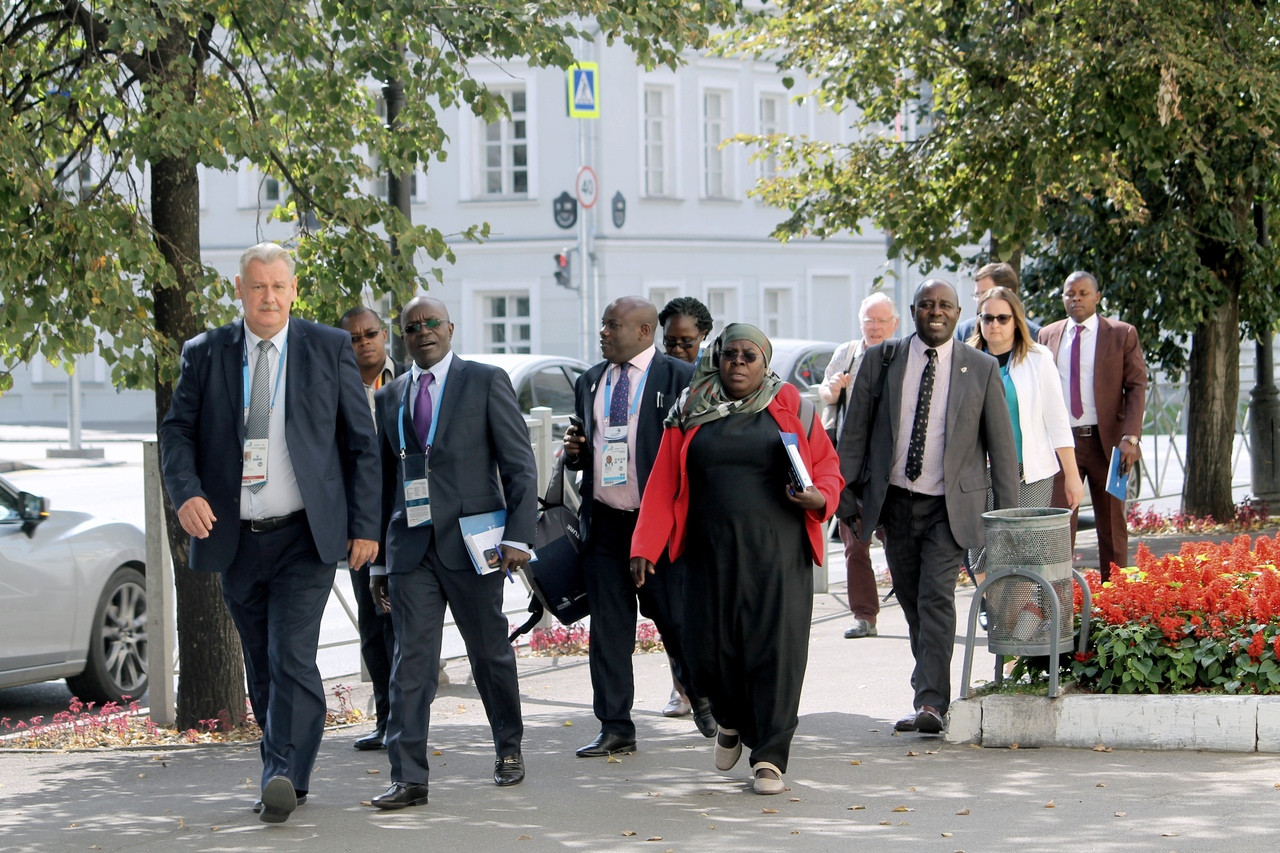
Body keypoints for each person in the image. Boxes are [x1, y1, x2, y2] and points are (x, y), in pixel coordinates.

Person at [159, 242, 380, 823]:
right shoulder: (205, 353)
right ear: (240, 290)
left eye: (279, 287)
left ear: (294, 291)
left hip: (305, 535)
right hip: (237, 538)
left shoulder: (326, 347)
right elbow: (177, 433)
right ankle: (284, 767)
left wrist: (365, 525)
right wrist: (187, 494)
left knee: (291, 655)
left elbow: (361, 443)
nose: (269, 298)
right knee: (261, 663)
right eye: (258, 287)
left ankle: (282, 772)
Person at [630, 323, 843, 795]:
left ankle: (769, 756)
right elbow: (664, 480)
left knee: (776, 653)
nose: (739, 363)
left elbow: (828, 468)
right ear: (717, 358)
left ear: (765, 362)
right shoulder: (690, 408)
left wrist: (819, 498)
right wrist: (645, 544)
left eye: (750, 355)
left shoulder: (791, 406)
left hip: (778, 553)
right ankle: (730, 719)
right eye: (730, 354)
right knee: (708, 655)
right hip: (708, 554)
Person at [367, 296, 537, 809]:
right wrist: (378, 557)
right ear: (405, 336)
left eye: (432, 323)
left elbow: (519, 465)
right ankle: (409, 777)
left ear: (451, 328)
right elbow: (383, 484)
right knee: (410, 664)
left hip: (473, 546)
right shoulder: (390, 396)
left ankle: (509, 746)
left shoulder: (485, 381)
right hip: (411, 548)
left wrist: (518, 536)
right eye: (413, 327)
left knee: (489, 654)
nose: (423, 332)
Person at [837, 279, 1018, 736]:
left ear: (958, 315)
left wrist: (1009, 519)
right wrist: (845, 494)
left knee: (936, 598)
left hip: (949, 507)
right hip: (895, 501)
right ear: (914, 311)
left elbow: (1001, 444)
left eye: (945, 306)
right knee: (914, 602)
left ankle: (932, 702)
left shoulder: (979, 367)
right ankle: (927, 690)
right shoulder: (883, 360)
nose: (935, 312)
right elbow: (854, 430)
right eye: (927, 305)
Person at [563, 296, 713, 758]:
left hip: (660, 524)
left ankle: (704, 697)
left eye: (613, 325)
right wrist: (577, 454)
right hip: (606, 522)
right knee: (609, 629)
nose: (603, 333)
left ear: (645, 331)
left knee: (675, 619)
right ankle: (615, 725)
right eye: (603, 324)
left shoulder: (681, 378)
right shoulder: (591, 381)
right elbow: (595, 448)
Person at [964, 287, 1084, 580]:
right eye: (987, 317)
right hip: (979, 473)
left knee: (1023, 552)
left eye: (1002, 318)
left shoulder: (1037, 358)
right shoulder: (966, 359)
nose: (994, 325)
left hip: (1029, 472)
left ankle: (1020, 620)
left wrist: (1071, 475)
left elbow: (1057, 419)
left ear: (1016, 321)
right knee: (980, 554)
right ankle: (993, 612)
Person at [1038, 271, 1147, 581]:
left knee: (1113, 525)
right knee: (1058, 526)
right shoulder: (1047, 336)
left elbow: (1137, 385)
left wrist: (1132, 437)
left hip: (1109, 444)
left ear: (1097, 297)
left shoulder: (1120, 333)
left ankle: (1116, 602)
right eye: (1070, 293)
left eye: (1084, 293)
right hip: (1062, 446)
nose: (1077, 299)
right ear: (1063, 298)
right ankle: (1057, 601)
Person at [337, 306, 403, 751]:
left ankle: (407, 717)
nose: (364, 343)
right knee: (372, 623)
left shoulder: (409, 381)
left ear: (385, 334)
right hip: (360, 523)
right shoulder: (333, 388)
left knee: (404, 621)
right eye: (355, 338)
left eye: (371, 334)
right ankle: (385, 718)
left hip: (406, 518)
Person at [818, 291, 899, 639]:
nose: (875, 327)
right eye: (870, 320)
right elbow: (825, 393)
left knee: (897, 539)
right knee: (854, 542)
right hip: (849, 463)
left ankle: (915, 607)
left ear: (894, 324)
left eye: (882, 321)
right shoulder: (847, 353)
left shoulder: (901, 356)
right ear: (860, 321)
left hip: (890, 465)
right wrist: (834, 388)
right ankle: (864, 615)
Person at [656, 295, 715, 717]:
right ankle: (683, 687)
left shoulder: (719, 379)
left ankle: (709, 687)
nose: (677, 351)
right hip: (665, 511)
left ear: (705, 339)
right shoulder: (656, 380)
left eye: (686, 342)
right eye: (670, 343)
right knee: (670, 611)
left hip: (706, 512)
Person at [954, 262, 1041, 345]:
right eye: (977, 295)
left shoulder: (1036, 335)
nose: (980, 300)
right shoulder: (965, 331)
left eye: (986, 294)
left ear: (1008, 293)